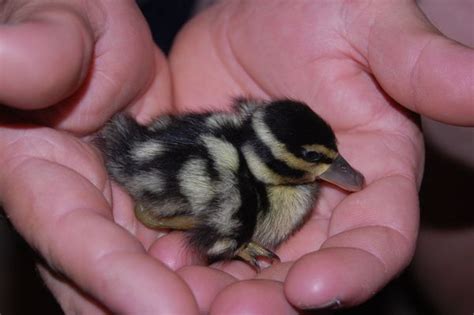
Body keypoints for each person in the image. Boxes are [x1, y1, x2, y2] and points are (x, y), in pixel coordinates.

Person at [0, 0, 472, 313]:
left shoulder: (242, 151)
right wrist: (233, 235)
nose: (334, 172)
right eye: (315, 160)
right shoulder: (245, 192)